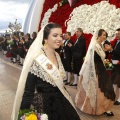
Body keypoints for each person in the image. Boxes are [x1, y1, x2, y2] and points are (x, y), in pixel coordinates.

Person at [11, 23, 80, 120]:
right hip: (44, 105)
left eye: (60, 35)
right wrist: (24, 114)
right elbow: (28, 91)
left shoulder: (57, 55)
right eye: (55, 35)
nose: (60, 39)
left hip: (61, 102)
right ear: (45, 38)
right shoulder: (37, 59)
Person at [75, 29, 115, 116]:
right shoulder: (94, 45)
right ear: (99, 35)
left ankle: (103, 108)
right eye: (103, 35)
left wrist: (107, 51)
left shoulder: (100, 44)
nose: (105, 37)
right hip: (95, 70)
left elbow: (101, 57)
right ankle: (94, 108)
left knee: (103, 89)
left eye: (105, 35)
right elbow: (92, 59)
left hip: (100, 68)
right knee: (98, 89)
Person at [111, 28, 120, 105]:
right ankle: (113, 97)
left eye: (118, 34)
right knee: (114, 81)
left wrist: (111, 50)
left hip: (119, 65)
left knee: (116, 82)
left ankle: (117, 98)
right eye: (116, 33)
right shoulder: (116, 42)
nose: (117, 35)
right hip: (114, 64)